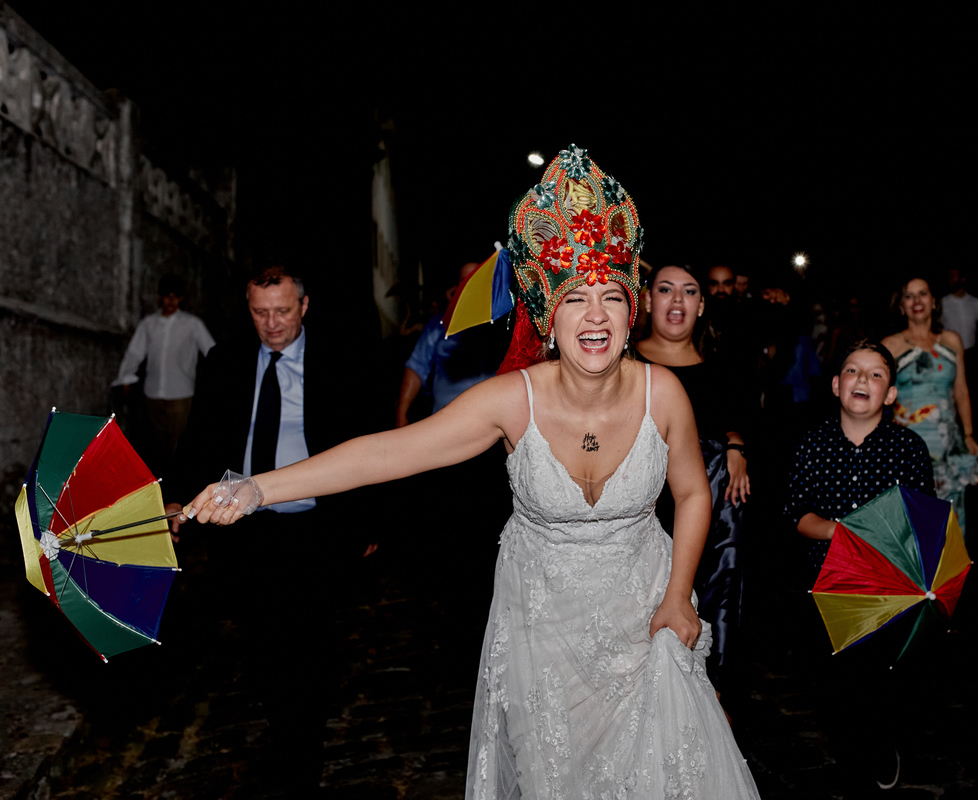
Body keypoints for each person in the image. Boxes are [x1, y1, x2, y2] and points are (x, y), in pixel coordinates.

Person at [179, 148, 762, 799]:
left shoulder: (666, 394)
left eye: (611, 298)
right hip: (546, 630)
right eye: (576, 299)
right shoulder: (514, 399)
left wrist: (680, 594)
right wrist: (258, 488)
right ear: (547, 316)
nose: (595, 315)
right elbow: (385, 453)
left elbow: (690, 492)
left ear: (633, 313)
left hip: (643, 613)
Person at [166, 263, 384, 792]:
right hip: (243, 532)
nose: (272, 324)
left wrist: (371, 517)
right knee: (261, 646)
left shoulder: (339, 359)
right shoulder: (224, 362)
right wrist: (174, 496)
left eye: (282, 311)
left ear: (304, 306)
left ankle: (299, 755)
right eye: (260, 313)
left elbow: (369, 438)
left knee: (309, 648)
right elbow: (199, 439)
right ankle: (285, 723)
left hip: (313, 527)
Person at [784, 339, 935, 792]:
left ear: (890, 394)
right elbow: (797, 515)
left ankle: (880, 742)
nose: (862, 380)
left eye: (875, 375)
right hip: (824, 582)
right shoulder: (813, 445)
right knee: (836, 682)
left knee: (879, 679)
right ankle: (852, 747)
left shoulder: (908, 447)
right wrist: (838, 531)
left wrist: (884, 537)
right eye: (852, 371)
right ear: (835, 385)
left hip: (885, 585)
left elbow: (920, 517)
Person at [635, 263, 753, 700]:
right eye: (666, 289)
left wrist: (736, 447)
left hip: (713, 500)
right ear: (648, 299)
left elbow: (737, 419)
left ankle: (714, 696)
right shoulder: (626, 362)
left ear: (701, 305)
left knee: (718, 593)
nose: (677, 300)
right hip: (646, 501)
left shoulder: (719, 362)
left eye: (689, 291)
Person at [883, 276, 978, 533]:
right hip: (906, 447)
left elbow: (961, 390)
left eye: (922, 293)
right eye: (909, 295)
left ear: (934, 302)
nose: (917, 301)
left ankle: (949, 573)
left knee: (950, 523)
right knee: (913, 523)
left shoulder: (951, 340)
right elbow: (878, 398)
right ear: (901, 306)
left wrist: (968, 435)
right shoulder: (889, 346)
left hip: (948, 445)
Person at [112, 273, 215, 469]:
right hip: (153, 394)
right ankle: (164, 482)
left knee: (179, 444)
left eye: (175, 296)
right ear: (159, 297)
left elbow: (212, 351)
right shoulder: (149, 324)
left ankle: (179, 486)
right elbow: (135, 352)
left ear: (181, 298)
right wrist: (126, 377)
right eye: (166, 296)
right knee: (159, 446)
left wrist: (215, 381)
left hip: (181, 394)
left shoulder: (192, 324)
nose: (170, 301)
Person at [395, 261, 505, 426]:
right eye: (464, 280)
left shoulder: (501, 324)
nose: (470, 284)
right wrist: (402, 413)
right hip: (446, 421)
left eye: (475, 278)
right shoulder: (439, 324)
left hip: (492, 423)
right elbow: (417, 366)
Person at [939, 267, 978, 368]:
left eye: (953, 276)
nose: (950, 279)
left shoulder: (976, 302)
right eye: (949, 276)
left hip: (971, 354)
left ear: (962, 279)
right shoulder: (942, 302)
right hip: (949, 353)